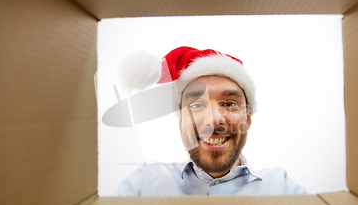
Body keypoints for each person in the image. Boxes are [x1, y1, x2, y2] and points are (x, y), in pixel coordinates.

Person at [112, 46, 307, 196]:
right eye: (196, 105)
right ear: (180, 122)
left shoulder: (283, 189)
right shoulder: (144, 184)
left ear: (248, 119)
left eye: (230, 103)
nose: (213, 120)